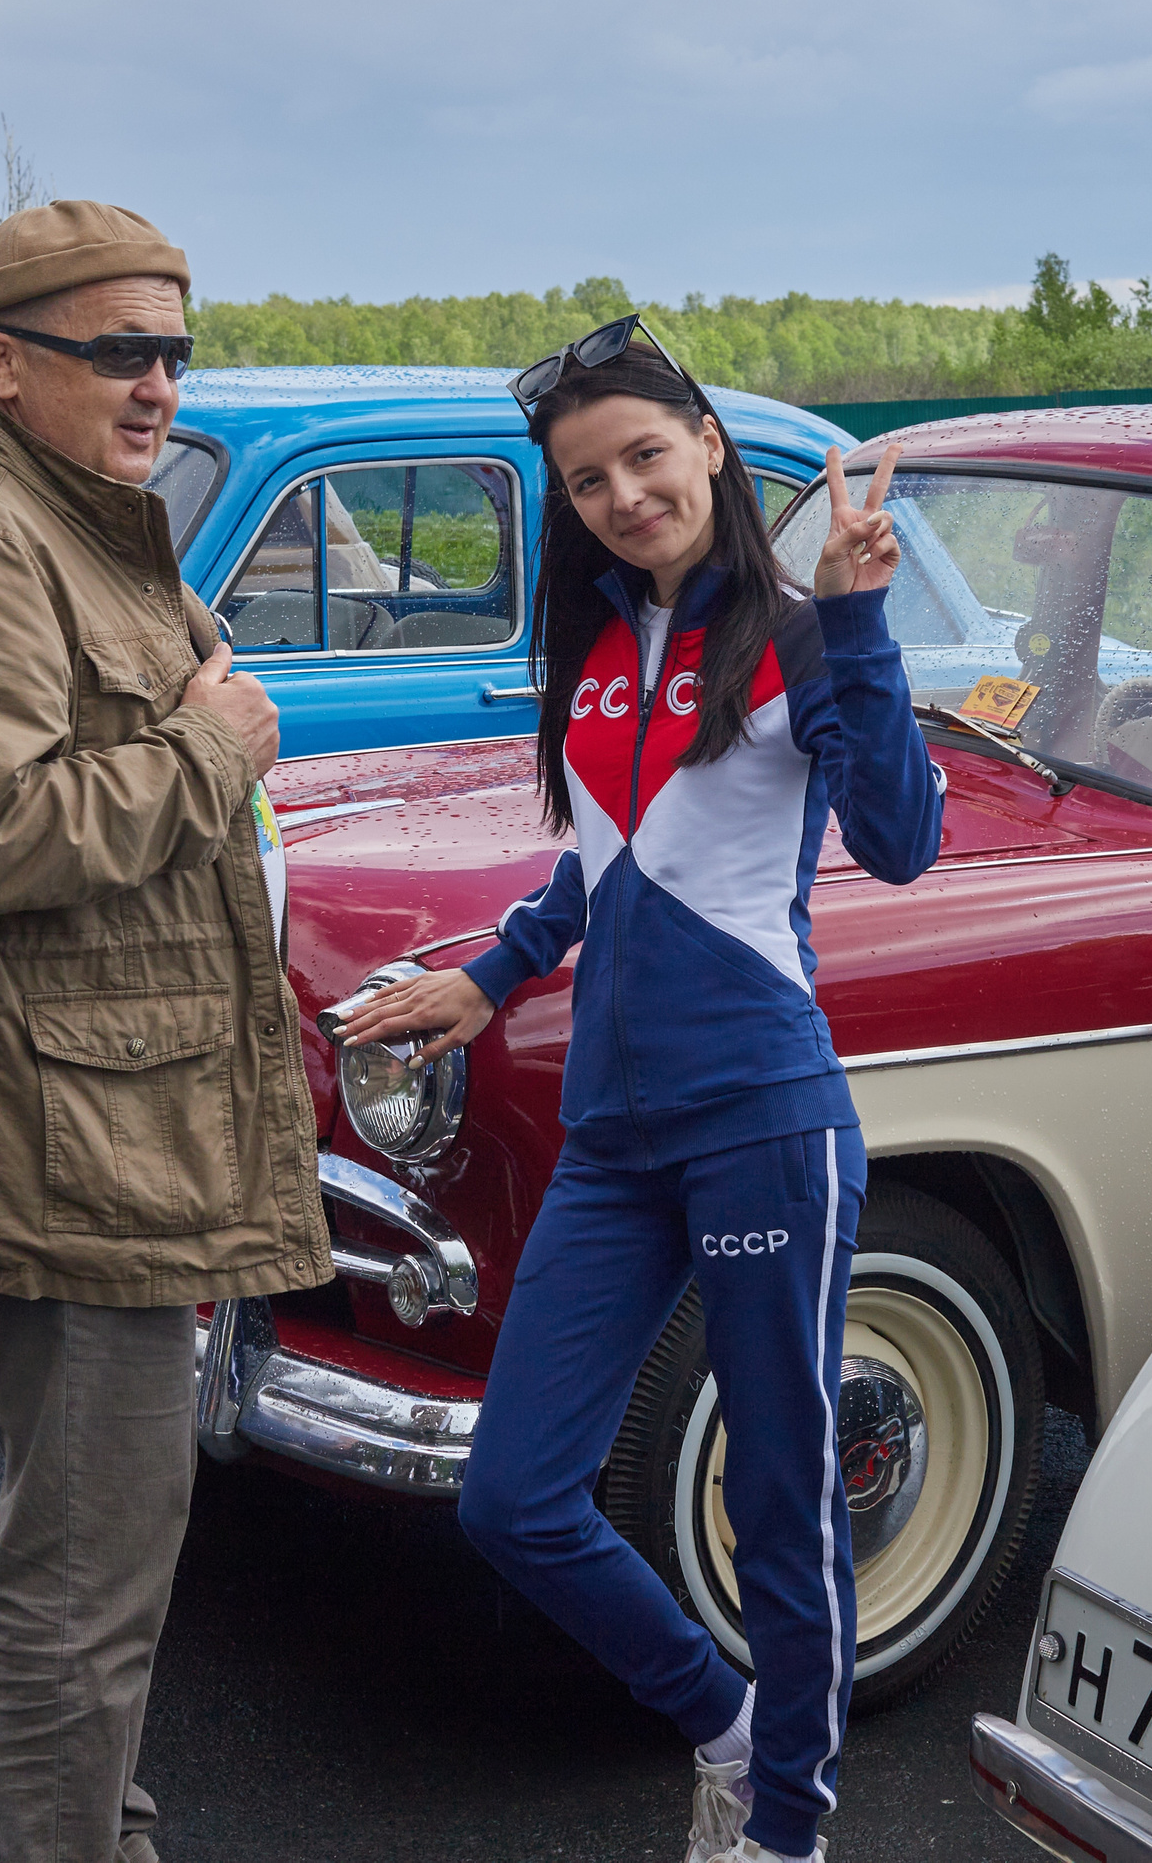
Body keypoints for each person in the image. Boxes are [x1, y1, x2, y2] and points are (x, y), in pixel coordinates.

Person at [335, 321, 944, 1863]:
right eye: (588, 477)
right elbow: (611, 859)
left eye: (646, 455)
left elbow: (900, 840)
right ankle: (732, 1731)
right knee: (515, 1495)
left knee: (781, 1504)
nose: (622, 492)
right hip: (617, 1133)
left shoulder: (801, 630)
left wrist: (862, 623)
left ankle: (786, 1830)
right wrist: (493, 972)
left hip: (762, 1118)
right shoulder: (601, 645)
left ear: (714, 448)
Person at [0, 201, 327, 1863]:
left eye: (175, 348)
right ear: (2, 362)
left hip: (88, 1110)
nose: (160, 382)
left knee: (99, 1557)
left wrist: (179, 705)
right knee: (85, 1580)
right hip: (62, 1133)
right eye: (121, 350)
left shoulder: (56, 506)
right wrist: (213, 745)